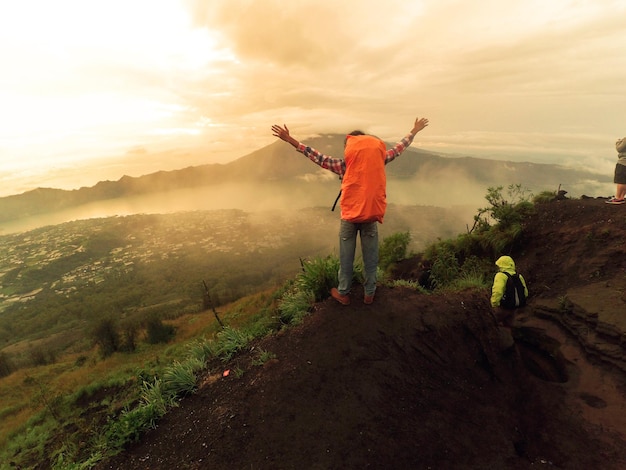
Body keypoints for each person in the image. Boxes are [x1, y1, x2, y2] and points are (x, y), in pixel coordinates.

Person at [271, 117, 429, 305]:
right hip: (370, 214)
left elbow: (317, 157)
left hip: (349, 217)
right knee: (371, 257)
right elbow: (398, 149)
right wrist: (413, 131)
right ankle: (369, 293)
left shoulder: (344, 165)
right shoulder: (380, 158)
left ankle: (343, 293)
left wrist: (290, 140)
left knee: (346, 257)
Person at [490, 255, 528, 327]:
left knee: (491, 325)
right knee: (508, 327)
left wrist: (494, 304)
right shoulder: (519, 276)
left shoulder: (501, 275)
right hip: (514, 309)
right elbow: (525, 293)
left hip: (502, 308)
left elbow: (498, 292)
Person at [606, 137, 626, 204]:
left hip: (623, 162)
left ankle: (618, 198)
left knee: (620, 181)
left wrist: (618, 142)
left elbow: (619, 148)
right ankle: (622, 197)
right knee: (625, 181)